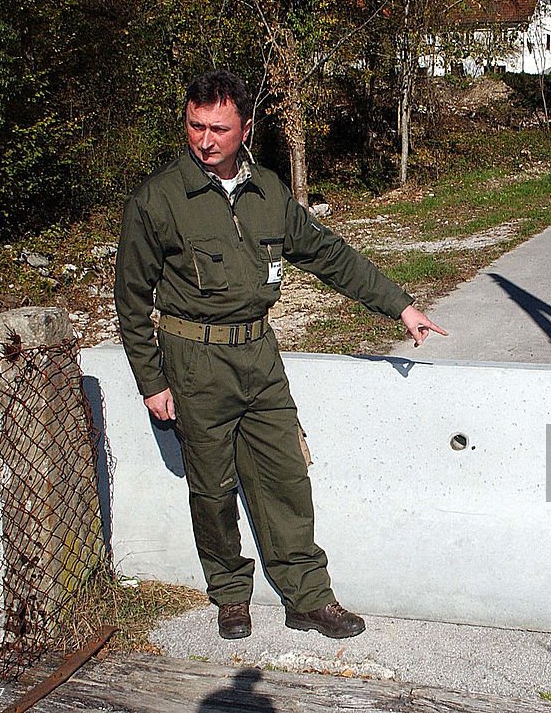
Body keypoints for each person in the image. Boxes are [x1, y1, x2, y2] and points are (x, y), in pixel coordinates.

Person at [114, 69, 445, 641]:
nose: (205, 139)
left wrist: (398, 306)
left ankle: (307, 598)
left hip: (260, 358)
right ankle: (230, 595)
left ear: (246, 127)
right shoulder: (159, 199)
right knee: (213, 488)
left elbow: (327, 254)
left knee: (287, 477)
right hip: (194, 362)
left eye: (219, 127)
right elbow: (131, 299)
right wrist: (152, 380)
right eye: (195, 126)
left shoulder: (268, 192)